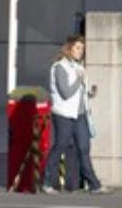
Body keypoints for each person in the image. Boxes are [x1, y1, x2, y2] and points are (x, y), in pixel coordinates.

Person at [42, 35, 107, 194]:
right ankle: (47, 182)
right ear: (69, 49)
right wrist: (79, 80)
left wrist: (90, 93)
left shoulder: (78, 67)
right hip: (63, 114)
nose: (81, 51)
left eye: (82, 48)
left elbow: (79, 93)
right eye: (77, 48)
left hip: (80, 115)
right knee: (60, 146)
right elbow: (65, 93)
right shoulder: (59, 67)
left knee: (84, 148)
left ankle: (94, 184)